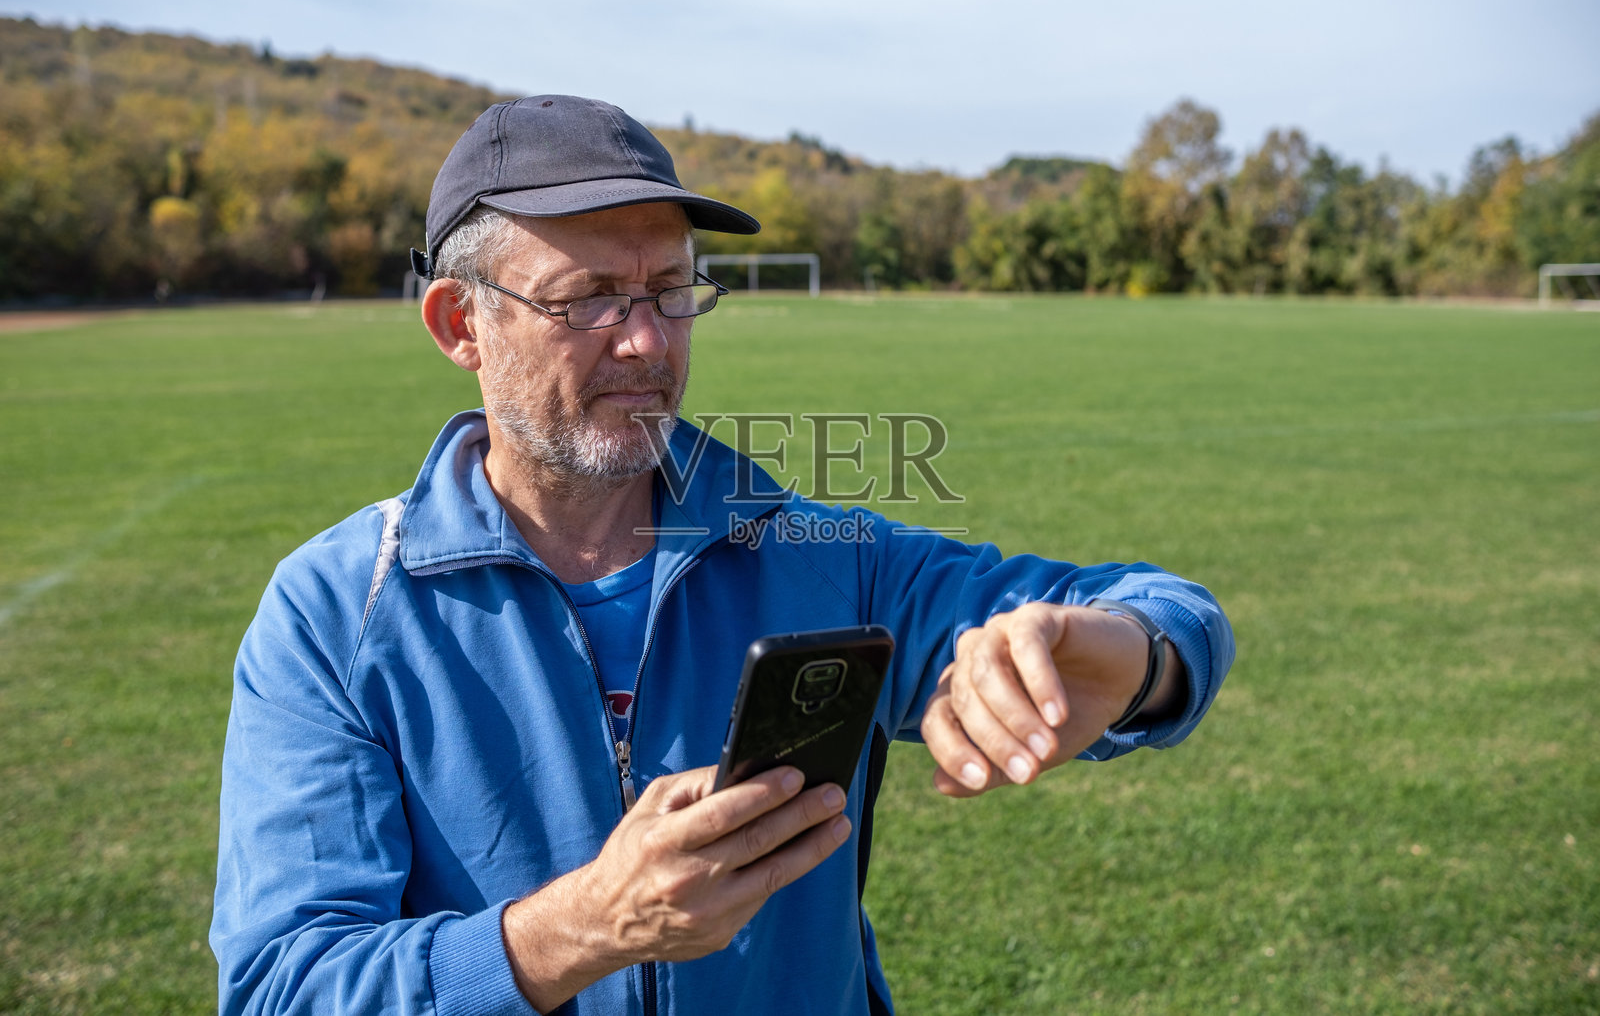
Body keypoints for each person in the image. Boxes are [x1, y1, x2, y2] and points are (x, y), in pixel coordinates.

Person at [211, 95, 1234, 1016]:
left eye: (669, 290)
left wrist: (1128, 653)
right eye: (590, 299)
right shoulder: (336, 611)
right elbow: (282, 984)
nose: (648, 341)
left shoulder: (822, 556)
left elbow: (1165, 609)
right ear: (458, 322)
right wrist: (578, 929)